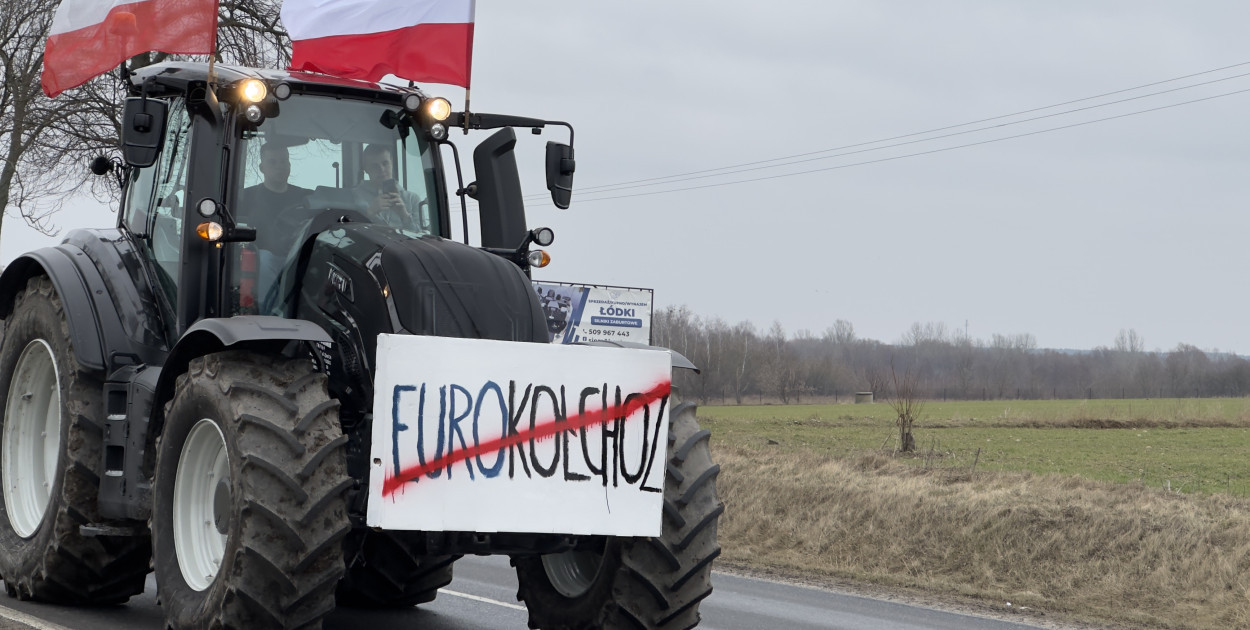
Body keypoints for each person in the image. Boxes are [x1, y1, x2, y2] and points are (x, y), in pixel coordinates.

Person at [240, 143, 311, 313]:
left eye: (284, 161)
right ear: (262, 167)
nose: (280, 166)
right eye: (273, 162)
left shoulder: (305, 197)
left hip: (300, 257)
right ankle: (269, 314)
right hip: (265, 259)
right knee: (265, 260)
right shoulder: (246, 197)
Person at [354, 143, 428, 231]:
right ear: (365, 168)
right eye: (375, 166)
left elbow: (422, 238)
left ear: (392, 163)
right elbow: (348, 233)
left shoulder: (412, 199)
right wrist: (370, 213)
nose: (381, 169)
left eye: (385, 163)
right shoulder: (354, 197)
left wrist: (404, 215)